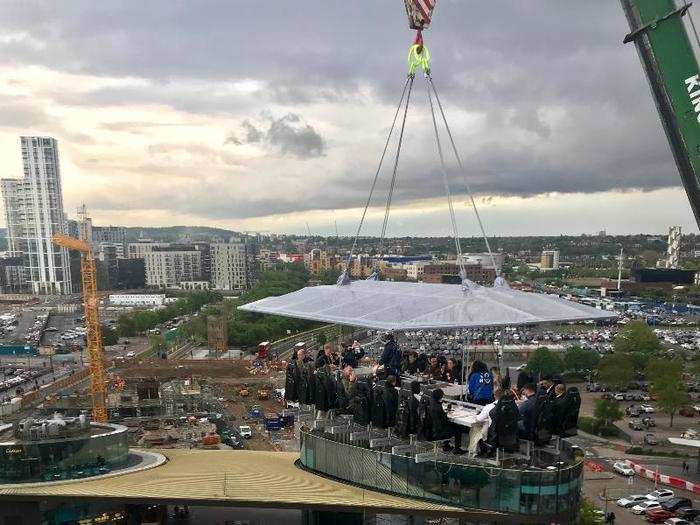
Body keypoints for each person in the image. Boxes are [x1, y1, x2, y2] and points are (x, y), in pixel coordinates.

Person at [467, 387, 502, 457]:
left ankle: (483, 451)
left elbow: (479, 419)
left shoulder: (489, 407)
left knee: (476, 430)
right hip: (505, 432)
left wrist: (477, 415)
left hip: (493, 433)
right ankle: (491, 450)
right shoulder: (509, 406)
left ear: (494, 396)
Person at [429, 388, 465, 454]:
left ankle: (446, 445)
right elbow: (444, 420)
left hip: (433, 430)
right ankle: (457, 449)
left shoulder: (432, 404)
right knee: (458, 428)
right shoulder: (438, 407)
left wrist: (445, 412)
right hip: (439, 432)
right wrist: (446, 414)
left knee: (453, 425)